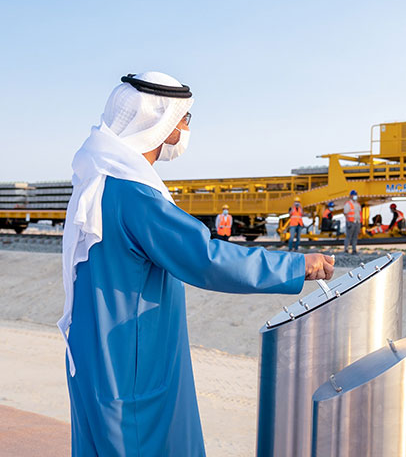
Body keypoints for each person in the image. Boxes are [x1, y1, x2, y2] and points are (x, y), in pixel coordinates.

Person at [60, 72, 334, 456]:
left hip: (94, 354)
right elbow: (206, 258)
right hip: (131, 362)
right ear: (162, 122)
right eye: (185, 118)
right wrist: (297, 266)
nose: (187, 127)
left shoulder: (98, 181)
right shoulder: (134, 195)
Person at [343, 190, 362, 255]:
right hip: (350, 222)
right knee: (349, 236)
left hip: (357, 222)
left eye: (356, 195)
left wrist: (360, 222)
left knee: (355, 237)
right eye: (354, 195)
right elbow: (345, 213)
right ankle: (346, 249)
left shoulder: (357, 204)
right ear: (351, 196)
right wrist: (348, 221)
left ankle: (354, 250)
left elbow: (359, 213)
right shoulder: (348, 204)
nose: (355, 196)